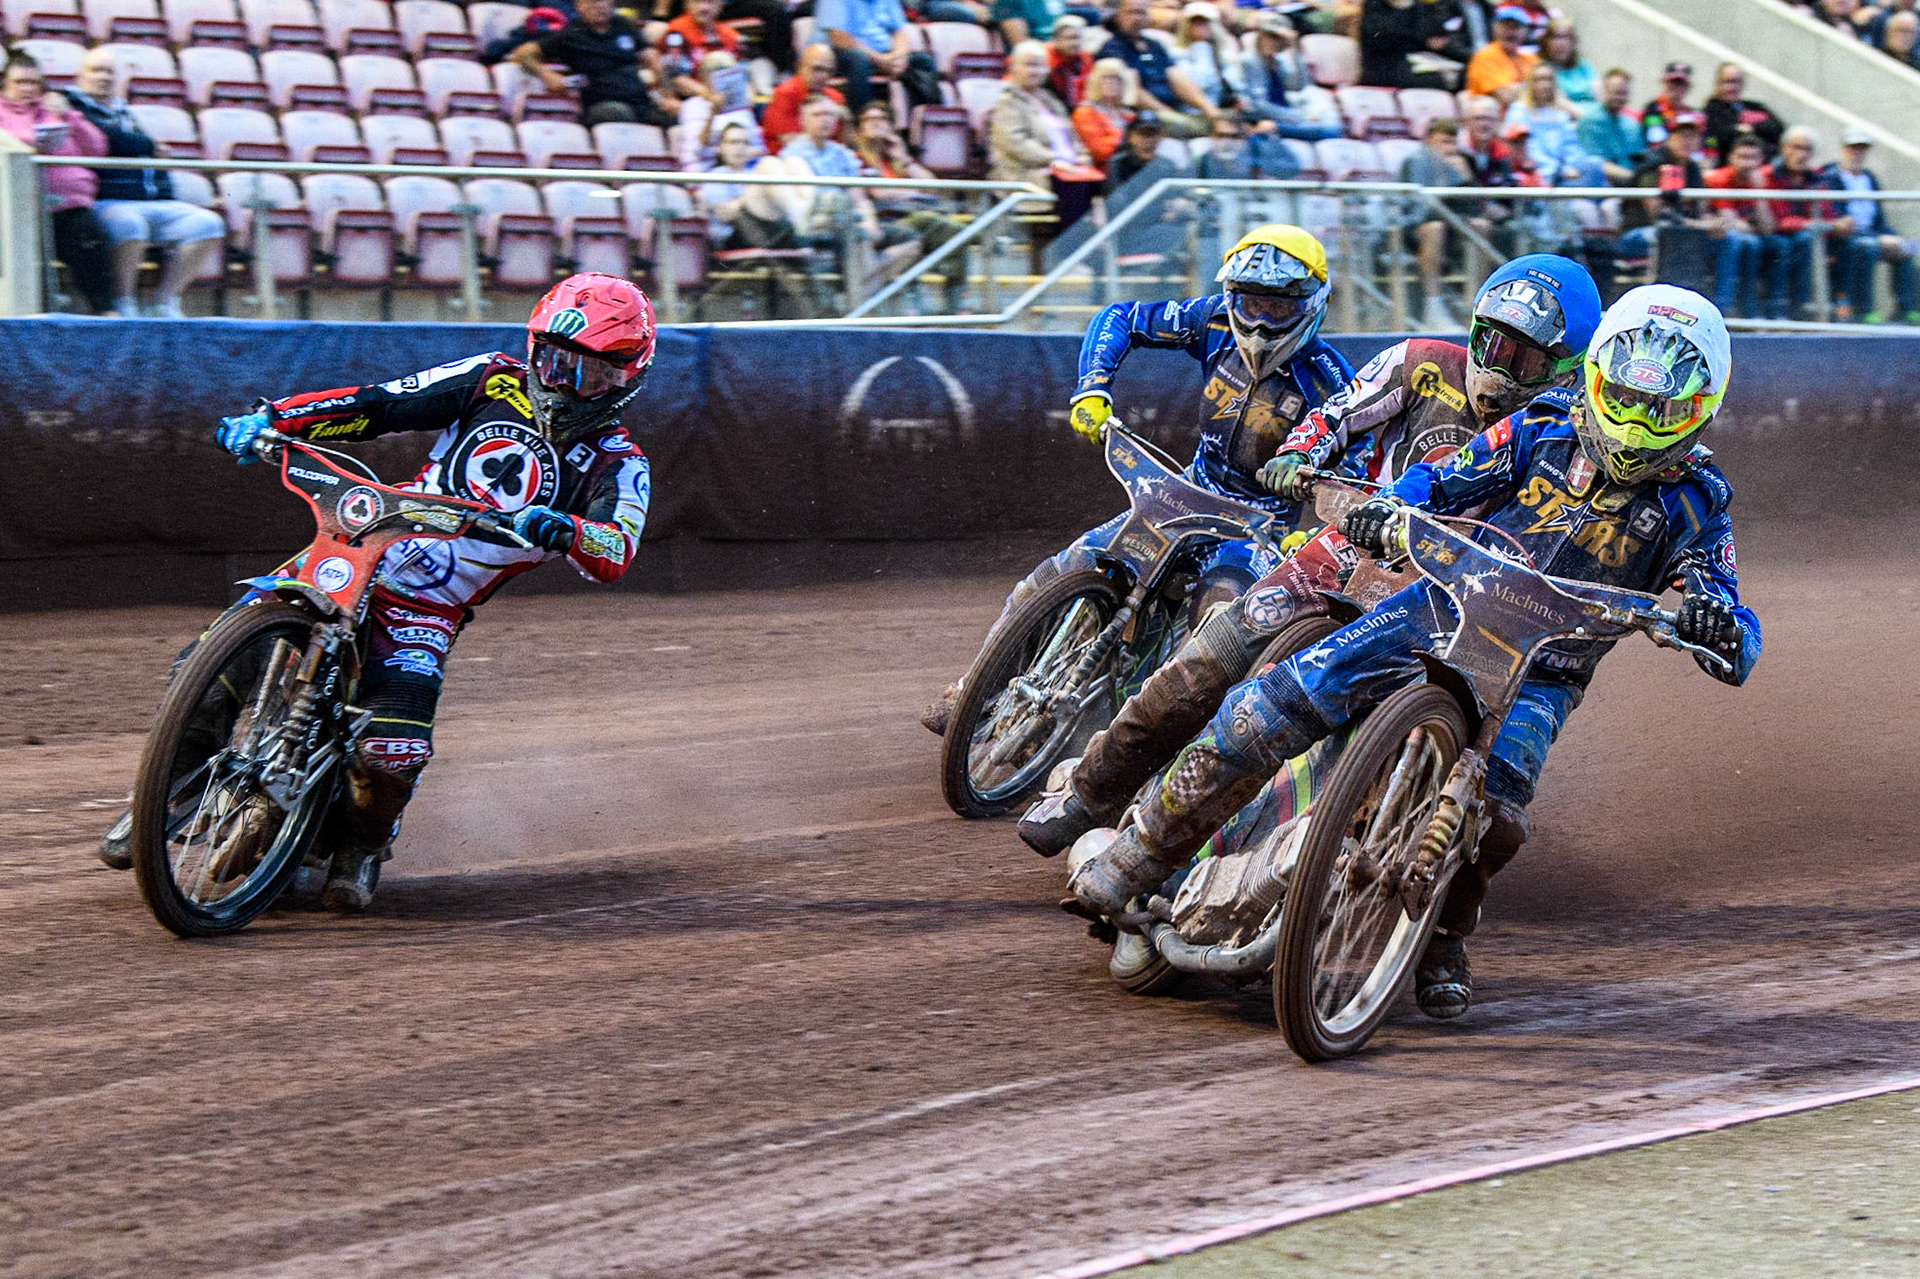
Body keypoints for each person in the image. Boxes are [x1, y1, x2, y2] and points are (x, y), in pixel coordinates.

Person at [1065, 283, 1759, 1021]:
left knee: (1501, 817)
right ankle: (1141, 851)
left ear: (1701, 407)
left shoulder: (1699, 499)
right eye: (1624, 395)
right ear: (1596, 378)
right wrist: (1398, 505)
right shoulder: (1541, 426)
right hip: (1439, 604)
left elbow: (1734, 618)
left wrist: (1717, 621)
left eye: (1661, 409)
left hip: (1543, 671)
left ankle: (1446, 936)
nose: (1636, 422)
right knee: (1265, 704)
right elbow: (1449, 474)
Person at [1019, 255, 1603, 869]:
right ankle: (1089, 794)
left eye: (1527, 358)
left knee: (1480, 790)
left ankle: (1373, 890)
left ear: (1566, 364)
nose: (1502, 368)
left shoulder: (1573, 437)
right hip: (1360, 542)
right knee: (1211, 656)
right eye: (1493, 342)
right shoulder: (1423, 363)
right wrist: (1300, 452)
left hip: (1459, 601)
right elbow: (1339, 410)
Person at [98, 275, 659, 907]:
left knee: (392, 751)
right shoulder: (490, 379)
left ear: (626, 377)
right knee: (206, 667)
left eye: (589, 374)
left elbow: (618, 547)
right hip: (357, 546)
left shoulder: (619, 461)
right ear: (534, 350)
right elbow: (379, 403)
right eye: (556, 363)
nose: (565, 383)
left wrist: (569, 529)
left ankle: (362, 843)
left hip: (429, 606)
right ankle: (164, 797)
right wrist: (275, 418)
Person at [920, 226, 1356, 734]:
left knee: (1217, 625)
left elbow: (1359, 468)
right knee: (1064, 567)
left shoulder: (1332, 381)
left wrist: (1322, 526)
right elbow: (1119, 317)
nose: (1258, 323)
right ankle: (977, 685)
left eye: (1277, 310)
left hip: (1258, 529)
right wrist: (1093, 388)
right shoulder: (1213, 320)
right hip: (1185, 492)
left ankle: (1159, 748)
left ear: (1312, 303)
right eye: (1249, 304)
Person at [65, 47, 226, 319]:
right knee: (130, 224)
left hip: (154, 200)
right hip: (109, 200)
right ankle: (123, 302)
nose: (103, 77)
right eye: (96, 70)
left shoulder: (122, 110)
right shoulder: (74, 108)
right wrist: (150, 146)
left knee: (208, 224)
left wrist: (158, 175)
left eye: (109, 71)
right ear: (80, 76)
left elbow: (136, 147)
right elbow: (110, 141)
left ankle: (163, 302)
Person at [0, 53, 113, 314]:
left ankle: (106, 313)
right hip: (19, 209)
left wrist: (70, 118)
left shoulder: (53, 111)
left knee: (88, 239)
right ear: (6, 83)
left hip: (68, 205)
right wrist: (31, 141)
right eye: (20, 82)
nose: (27, 89)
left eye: (33, 83)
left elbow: (97, 148)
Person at [991, 41, 1101, 229]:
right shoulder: (1007, 102)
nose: (1035, 71)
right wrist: (1053, 160)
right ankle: (1073, 251)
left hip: (1068, 168)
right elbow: (1016, 144)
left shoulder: (1051, 100)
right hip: (1028, 172)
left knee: (1103, 184)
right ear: (1014, 68)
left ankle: (1108, 248)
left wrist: (1081, 154)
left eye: (1039, 65)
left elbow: (1071, 135)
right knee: (1076, 189)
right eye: (1029, 65)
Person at [514, 0, 677, 127]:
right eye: (592, 2)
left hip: (641, 103)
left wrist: (668, 97)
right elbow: (523, 53)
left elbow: (653, 59)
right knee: (620, 113)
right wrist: (547, 74)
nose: (599, 6)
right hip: (601, 106)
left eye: (603, 1)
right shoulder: (571, 34)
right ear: (579, 6)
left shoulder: (624, 25)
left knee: (675, 117)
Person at [1825, 125, 1920, 323]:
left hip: (1872, 233)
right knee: (1867, 247)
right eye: (1853, 148)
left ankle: (1907, 308)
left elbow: (1879, 219)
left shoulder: (1869, 178)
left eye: (1862, 148)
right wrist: (1877, 237)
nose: (1857, 153)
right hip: (1847, 237)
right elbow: (1836, 214)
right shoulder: (1832, 177)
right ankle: (1863, 310)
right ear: (1844, 149)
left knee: (1908, 247)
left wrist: (1892, 237)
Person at [1094, 0, 1218, 138]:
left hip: (1173, 111)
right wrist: (1170, 114)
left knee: (1218, 121)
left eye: (1142, 13)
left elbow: (1177, 78)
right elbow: (1133, 91)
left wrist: (1208, 108)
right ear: (1118, 16)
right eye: (1132, 12)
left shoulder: (1154, 45)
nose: (1137, 18)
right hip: (1143, 116)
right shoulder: (1113, 48)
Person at [1766, 126, 1842, 321]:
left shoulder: (1816, 176)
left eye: (1807, 149)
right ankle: (1783, 307)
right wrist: (1815, 224)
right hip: (1772, 236)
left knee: (1855, 246)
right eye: (1796, 147)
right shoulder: (1768, 175)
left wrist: (1837, 224)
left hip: (1805, 237)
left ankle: (1847, 310)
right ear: (1784, 148)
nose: (1801, 154)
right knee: (1791, 243)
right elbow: (1778, 220)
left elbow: (1826, 213)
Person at [813, 0, 942, 114]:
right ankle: (863, 122)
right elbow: (839, 38)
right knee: (859, 60)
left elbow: (899, 32)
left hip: (884, 54)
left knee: (924, 61)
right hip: (843, 53)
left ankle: (924, 125)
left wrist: (900, 57)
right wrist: (879, 59)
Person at [1703, 132, 1776, 318]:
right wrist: (1751, 227)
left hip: (1747, 239)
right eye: (1743, 157)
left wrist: (1759, 192)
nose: (1747, 164)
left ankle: (1768, 309)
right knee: (1743, 240)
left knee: (1777, 245)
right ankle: (1724, 307)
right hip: (1713, 238)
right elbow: (1730, 223)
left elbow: (1768, 228)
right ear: (1731, 158)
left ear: (1761, 160)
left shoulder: (1762, 180)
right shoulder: (1718, 179)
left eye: (1753, 158)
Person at [1242, 12, 1345, 141]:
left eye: (1277, 38)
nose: (1270, 41)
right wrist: (1299, 117)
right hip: (1263, 119)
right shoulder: (1250, 60)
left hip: (1284, 116)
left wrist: (1295, 48)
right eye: (1267, 35)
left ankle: (1279, 127)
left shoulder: (1276, 61)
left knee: (1334, 127)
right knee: (1331, 131)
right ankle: (1277, 128)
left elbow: (1299, 85)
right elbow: (1259, 105)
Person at [1505, 60, 1603, 186]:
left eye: (1549, 79)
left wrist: (1569, 167)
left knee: (1594, 164)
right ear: (1530, 83)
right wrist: (1557, 170)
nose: (1545, 85)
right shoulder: (1518, 111)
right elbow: (1523, 152)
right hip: (1535, 176)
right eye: (1539, 80)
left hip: (1562, 175)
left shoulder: (1560, 114)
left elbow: (1571, 146)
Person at [674, 50, 757, 166]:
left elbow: (759, 149)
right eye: (717, 73)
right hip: (706, 168)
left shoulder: (742, 107)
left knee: (770, 163)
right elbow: (697, 150)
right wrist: (713, 111)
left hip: (742, 168)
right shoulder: (692, 106)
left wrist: (740, 153)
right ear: (705, 78)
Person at [763, 44, 844, 151]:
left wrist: (847, 120)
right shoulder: (784, 94)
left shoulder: (836, 98)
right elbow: (789, 141)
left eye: (828, 71)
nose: (823, 75)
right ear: (800, 67)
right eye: (817, 69)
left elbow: (843, 143)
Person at [1358, 0, 1453, 90]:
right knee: (1435, 81)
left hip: (1414, 62)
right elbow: (1380, 39)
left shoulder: (1419, 7)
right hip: (1383, 68)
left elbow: (1428, 37)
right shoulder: (1374, 6)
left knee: (1451, 77)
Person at [1702, 63, 1782, 165]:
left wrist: (1751, 127)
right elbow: (1722, 134)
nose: (1733, 87)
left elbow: (1778, 127)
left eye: (1738, 82)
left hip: (1763, 166)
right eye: (1728, 82)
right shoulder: (1712, 108)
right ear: (1718, 83)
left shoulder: (1754, 106)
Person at [1576, 67, 1644, 185]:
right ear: (1604, 91)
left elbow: (1640, 159)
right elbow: (1595, 164)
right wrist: (1633, 177)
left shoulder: (1633, 125)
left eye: (1624, 93)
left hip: (1630, 188)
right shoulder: (1588, 121)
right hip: (1599, 188)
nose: (1620, 97)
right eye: (1616, 92)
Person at [1172, 1, 1242, 112]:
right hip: (1193, 112)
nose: (1200, 27)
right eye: (1195, 23)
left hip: (1223, 111)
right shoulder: (1177, 54)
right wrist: (1201, 45)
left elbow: (1237, 85)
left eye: (1204, 22)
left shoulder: (1224, 53)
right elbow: (1201, 83)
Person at [1464, 5, 1535, 105]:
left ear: (1526, 32)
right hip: (1492, 117)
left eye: (1515, 27)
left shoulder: (1530, 59)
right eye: (1505, 26)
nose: (1510, 32)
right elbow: (1505, 97)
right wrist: (1531, 89)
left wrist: (1516, 88)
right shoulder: (1485, 57)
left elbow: (1549, 91)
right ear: (1496, 29)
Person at [1073, 57, 1135, 164]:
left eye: (1116, 78)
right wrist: (1132, 139)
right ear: (1095, 81)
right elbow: (1100, 151)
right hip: (1104, 169)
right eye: (1105, 77)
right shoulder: (1085, 112)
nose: (1111, 82)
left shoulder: (1129, 115)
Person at [1538, 17, 1594, 108]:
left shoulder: (1583, 66)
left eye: (1566, 37)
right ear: (1546, 42)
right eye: (1555, 37)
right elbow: (1558, 102)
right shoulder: (1543, 69)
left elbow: (1600, 92)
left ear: (1573, 42)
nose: (1561, 43)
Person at [1638, 60, 1693, 151]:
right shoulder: (1653, 109)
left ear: (1689, 87)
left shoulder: (1692, 113)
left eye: (1681, 84)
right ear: (1664, 83)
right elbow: (1655, 143)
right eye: (1672, 82)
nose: (1677, 88)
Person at [1047, 14, 1094, 106]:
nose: (1074, 43)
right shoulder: (1046, 60)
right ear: (1056, 39)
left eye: (1078, 38)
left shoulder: (1086, 59)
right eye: (1069, 38)